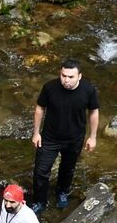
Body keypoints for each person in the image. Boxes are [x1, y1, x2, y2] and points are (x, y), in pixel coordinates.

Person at [31, 58, 99, 214]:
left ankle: (62, 192)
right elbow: (40, 108)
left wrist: (93, 136)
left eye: (70, 77)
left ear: (79, 76)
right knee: (40, 171)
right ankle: (40, 202)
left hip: (74, 138)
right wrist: (36, 133)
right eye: (63, 75)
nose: (66, 80)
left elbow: (94, 111)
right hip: (50, 137)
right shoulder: (50, 88)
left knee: (68, 169)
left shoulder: (88, 90)